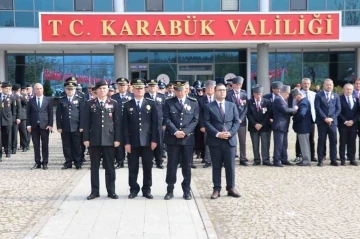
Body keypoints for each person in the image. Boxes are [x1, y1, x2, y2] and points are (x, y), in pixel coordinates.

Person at [83, 80, 120, 200]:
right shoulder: (89, 104)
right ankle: (94, 191)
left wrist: (117, 138)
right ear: (96, 90)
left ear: (108, 90)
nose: (102, 90)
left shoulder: (114, 103)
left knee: (110, 167)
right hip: (94, 140)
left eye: (104, 88)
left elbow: (117, 123)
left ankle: (111, 191)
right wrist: (86, 138)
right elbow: (86, 122)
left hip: (109, 140)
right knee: (94, 167)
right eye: (100, 88)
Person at [163, 80, 199, 200]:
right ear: (174, 91)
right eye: (177, 90)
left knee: (187, 166)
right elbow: (166, 119)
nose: (179, 93)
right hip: (172, 138)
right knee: (172, 165)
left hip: (187, 139)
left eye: (181, 90)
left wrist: (185, 132)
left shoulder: (193, 102)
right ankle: (170, 189)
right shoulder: (168, 102)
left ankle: (186, 190)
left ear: (186, 90)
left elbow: (195, 120)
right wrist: (175, 131)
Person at [122, 78, 158, 199]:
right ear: (132, 90)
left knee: (148, 167)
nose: (140, 90)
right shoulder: (127, 105)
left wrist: (154, 140)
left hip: (147, 141)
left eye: (142, 88)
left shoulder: (151, 104)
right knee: (133, 167)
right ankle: (133, 189)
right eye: (137, 88)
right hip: (133, 142)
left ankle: (147, 189)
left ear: (145, 89)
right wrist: (126, 142)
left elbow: (155, 124)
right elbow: (125, 126)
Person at [204, 83, 240, 200]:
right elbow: (207, 123)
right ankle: (216, 189)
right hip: (215, 141)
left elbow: (236, 122)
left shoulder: (232, 105)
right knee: (216, 166)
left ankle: (231, 188)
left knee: (230, 166)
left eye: (224, 90)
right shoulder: (209, 106)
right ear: (215, 92)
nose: (222, 92)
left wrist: (230, 133)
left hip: (230, 140)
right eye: (220, 90)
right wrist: (218, 134)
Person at [56, 82, 84, 170]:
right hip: (65, 127)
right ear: (65, 89)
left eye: (72, 89)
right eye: (68, 89)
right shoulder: (61, 100)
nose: (70, 91)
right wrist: (59, 127)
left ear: (75, 89)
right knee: (66, 145)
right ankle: (68, 162)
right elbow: (58, 115)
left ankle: (78, 162)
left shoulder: (79, 99)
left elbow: (82, 114)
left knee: (77, 145)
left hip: (76, 126)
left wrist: (81, 126)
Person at [315, 79, 341, 166]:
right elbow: (317, 108)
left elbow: (338, 109)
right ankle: (320, 160)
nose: (329, 86)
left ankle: (333, 160)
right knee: (321, 141)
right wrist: (325, 118)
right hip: (322, 122)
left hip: (333, 123)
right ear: (323, 85)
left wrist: (331, 118)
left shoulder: (336, 95)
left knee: (333, 141)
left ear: (332, 85)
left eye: (330, 85)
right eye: (327, 85)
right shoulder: (318, 95)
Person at [27, 83, 53, 170]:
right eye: (37, 89)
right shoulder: (31, 100)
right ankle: (37, 162)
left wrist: (50, 124)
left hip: (44, 126)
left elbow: (50, 113)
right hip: (34, 126)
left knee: (45, 145)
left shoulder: (48, 100)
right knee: (36, 145)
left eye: (40, 88)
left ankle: (45, 162)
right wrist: (28, 125)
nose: (39, 90)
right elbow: (28, 114)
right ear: (34, 90)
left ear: (43, 89)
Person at [272, 85, 298, 167]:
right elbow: (284, 110)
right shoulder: (278, 99)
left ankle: (284, 159)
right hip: (279, 125)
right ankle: (276, 160)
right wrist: (294, 109)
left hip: (284, 125)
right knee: (278, 144)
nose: (288, 96)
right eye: (287, 94)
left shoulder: (283, 100)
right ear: (284, 93)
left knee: (284, 144)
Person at [247, 84, 272, 166]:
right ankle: (257, 159)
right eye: (257, 94)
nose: (258, 95)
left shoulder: (266, 102)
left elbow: (268, 114)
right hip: (253, 126)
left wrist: (262, 124)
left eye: (260, 94)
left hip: (264, 126)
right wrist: (255, 124)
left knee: (265, 143)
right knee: (255, 143)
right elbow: (248, 114)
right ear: (253, 94)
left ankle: (266, 159)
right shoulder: (249, 102)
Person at [225, 76, 248, 166]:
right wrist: (234, 119)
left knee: (242, 140)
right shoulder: (228, 94)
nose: (238, 86)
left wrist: (240, 119)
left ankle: (243, 158)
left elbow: (246, 108)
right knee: (232, 139)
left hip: (241, 122)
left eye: (240, 85)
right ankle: (232, 156)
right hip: (232, 121)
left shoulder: (244, 94)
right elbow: (227, 107)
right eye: (237, 84)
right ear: (233, 85)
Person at [111, 77, 133, 168]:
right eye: (120, 85)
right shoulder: (113, 97)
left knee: (130, 141)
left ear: (128, 86)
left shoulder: (132, 96)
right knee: (119, 142)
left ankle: (131, 160)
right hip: (118, 122)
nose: (122, 87)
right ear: (118, 86)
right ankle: (120, 161)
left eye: (124, 85)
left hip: (130, 123)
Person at [144, 79, 165, 169]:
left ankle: (159, 161)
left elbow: (165, 111)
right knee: (149, 142)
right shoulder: (144, 96)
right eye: (150, 86)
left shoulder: (162, 96)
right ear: (148, 87)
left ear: (157, 87)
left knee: (159, 143)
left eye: (154, 86)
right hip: (147, 123)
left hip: (159, 124)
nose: (152, 87)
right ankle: (149, 161)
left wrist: (164, 123)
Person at [338, 83, 359, 166]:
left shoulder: (356, 99)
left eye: (350, 89)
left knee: (352, 142)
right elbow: (338, 112)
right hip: (343, 124)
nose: (349, 91)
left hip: (354, 125)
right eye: (347, 89)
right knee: (343, 142)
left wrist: (353, 121)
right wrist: (345, 121)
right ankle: (342, 159)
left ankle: (352, 158)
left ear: (352, 90)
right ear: (344, 89)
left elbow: (358, 112)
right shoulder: (339, 99)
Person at [291, 88, 313, 166]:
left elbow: (301, 114)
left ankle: (306, 160)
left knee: (304, 144)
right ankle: (305, 159)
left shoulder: (303, 103)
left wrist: (294, 118)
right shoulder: (304, 101)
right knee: (304, 143)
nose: (295, 99)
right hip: (304, 127)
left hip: (303, 127)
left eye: (296, 97)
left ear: (299, 95)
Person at [198, 80, 216, 168]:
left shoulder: (218, 98)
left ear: (214, 89)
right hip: (206, 125)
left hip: (217, 124)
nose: (209, 90)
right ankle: (208, 160)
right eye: (208, 88)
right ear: (205, 89)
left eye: (211, 88)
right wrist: (202, 125)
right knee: (207, 142)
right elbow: (200, 114)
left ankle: (218, 160)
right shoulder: (201, 100)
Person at [1, 82, 20, 158]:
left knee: (8, 136)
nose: (8, 90)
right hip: (0, 119)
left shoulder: (12, 97)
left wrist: (15, 118)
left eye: (9, 89)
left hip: (8, 119)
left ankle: (7, 151)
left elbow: (14, 109)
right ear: (2, 88)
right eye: (6, 88)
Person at [11, 84, 22, 154]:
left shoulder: (17, 97)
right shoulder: (10, 96)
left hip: (15, 118)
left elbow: (19, 108)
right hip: (8, 118)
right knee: (9, 134)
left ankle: (14, 148)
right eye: (15, 90)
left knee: (14, 133)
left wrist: (18, 117)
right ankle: (9, 147)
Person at [18, 86, 28, 152]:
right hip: (16, 116)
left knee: (23, 131)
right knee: (19, 132)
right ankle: (21, 144)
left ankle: (25, 145)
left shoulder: (23, 96)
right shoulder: (14, 95)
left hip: (23, 116)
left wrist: (21, 96)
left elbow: (25, 103)